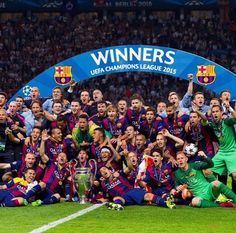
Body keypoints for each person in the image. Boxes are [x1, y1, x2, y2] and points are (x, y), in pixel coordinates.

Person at [100, 166, 176, 210]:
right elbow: (106, 198)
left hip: (130, 191)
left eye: (104, 169)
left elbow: (129, 167)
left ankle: (166, 203)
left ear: (109, 170)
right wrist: (101, 200)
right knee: (115, 198)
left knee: (148, 196)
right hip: (123, 198)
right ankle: (118, 206)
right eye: (101, 172)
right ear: (101, 176)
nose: (103, 171)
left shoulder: (119, 174)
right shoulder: (104, 185)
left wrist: (126, 155)